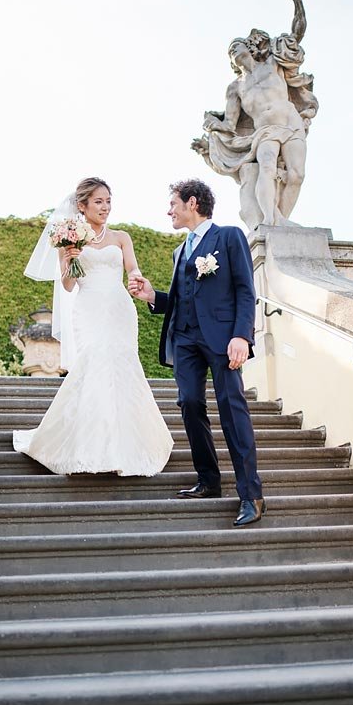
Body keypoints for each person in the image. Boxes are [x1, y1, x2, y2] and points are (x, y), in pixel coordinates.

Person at [13, 178, 173, 476]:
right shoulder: (69, 238)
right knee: (94, 364)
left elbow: (132, 268)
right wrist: (71, 258)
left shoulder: (122, 237)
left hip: (119, 308)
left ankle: (126, 446)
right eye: (99, 201)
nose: (105, 207)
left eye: (108, 201)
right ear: (82, 206)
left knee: (123, 366)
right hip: (88, 309)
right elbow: (68, 285)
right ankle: (90, 447)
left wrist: (137, 279)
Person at [128, 179, 264, 526]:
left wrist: (241, 336)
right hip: (185, 339)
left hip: (222, 338)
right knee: (189, 402)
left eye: (172, 203)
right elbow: (180, 300)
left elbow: (246, 291)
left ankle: (251, 495)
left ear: (192, 203)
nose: (169, 211)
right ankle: (209, 480)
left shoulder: (229, 236)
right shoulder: (179, 251)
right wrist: (152, 297)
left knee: (232, 410)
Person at [191, 0, 317, 230]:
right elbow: (230, 124)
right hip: (265, 131)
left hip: (291, 123)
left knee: (296, 176)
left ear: (248, 48)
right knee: (267, 167)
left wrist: (297, 2)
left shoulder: (273, 64)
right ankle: (270, 221)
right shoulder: (236, 88)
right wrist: (212, 131)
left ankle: (282, 218)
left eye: (237, 46)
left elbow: (297, 35)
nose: (234, 51)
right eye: (230, 51)